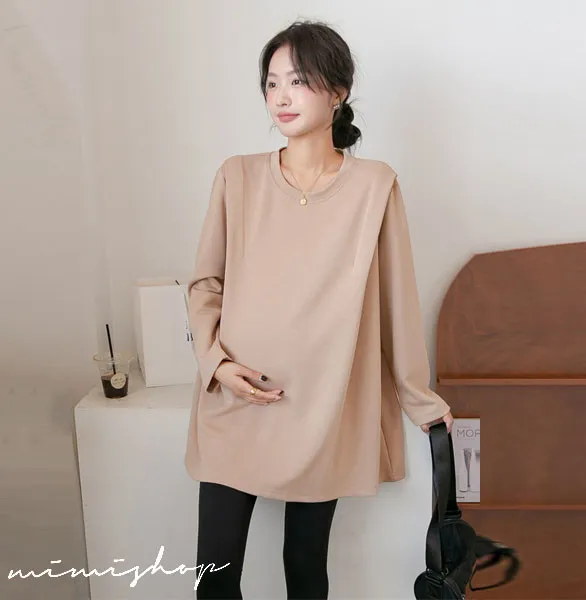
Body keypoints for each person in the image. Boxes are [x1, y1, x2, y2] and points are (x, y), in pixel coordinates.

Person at [185, 19, 454, 600]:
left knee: (306, 572)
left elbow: (396, 301)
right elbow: (206, 284)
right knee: (214, 577)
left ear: (337, 91)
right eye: (272, 82)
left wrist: (420, 399)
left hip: (323, 406)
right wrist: (216, 364)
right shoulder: (237, 176)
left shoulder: (374, 185)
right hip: (236, 400)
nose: (281, 96)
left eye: (299, 81)